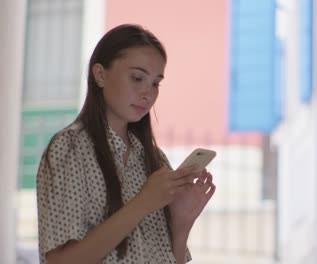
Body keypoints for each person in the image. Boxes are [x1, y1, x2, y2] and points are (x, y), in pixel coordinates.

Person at [36, 24, 216, 264]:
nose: (148, 93)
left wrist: (181, 224)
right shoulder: (69, 148)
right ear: (100, 74)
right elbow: (61, 261)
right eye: (137, 78)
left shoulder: (156, 160)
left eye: (155, 83)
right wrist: (142, 203)